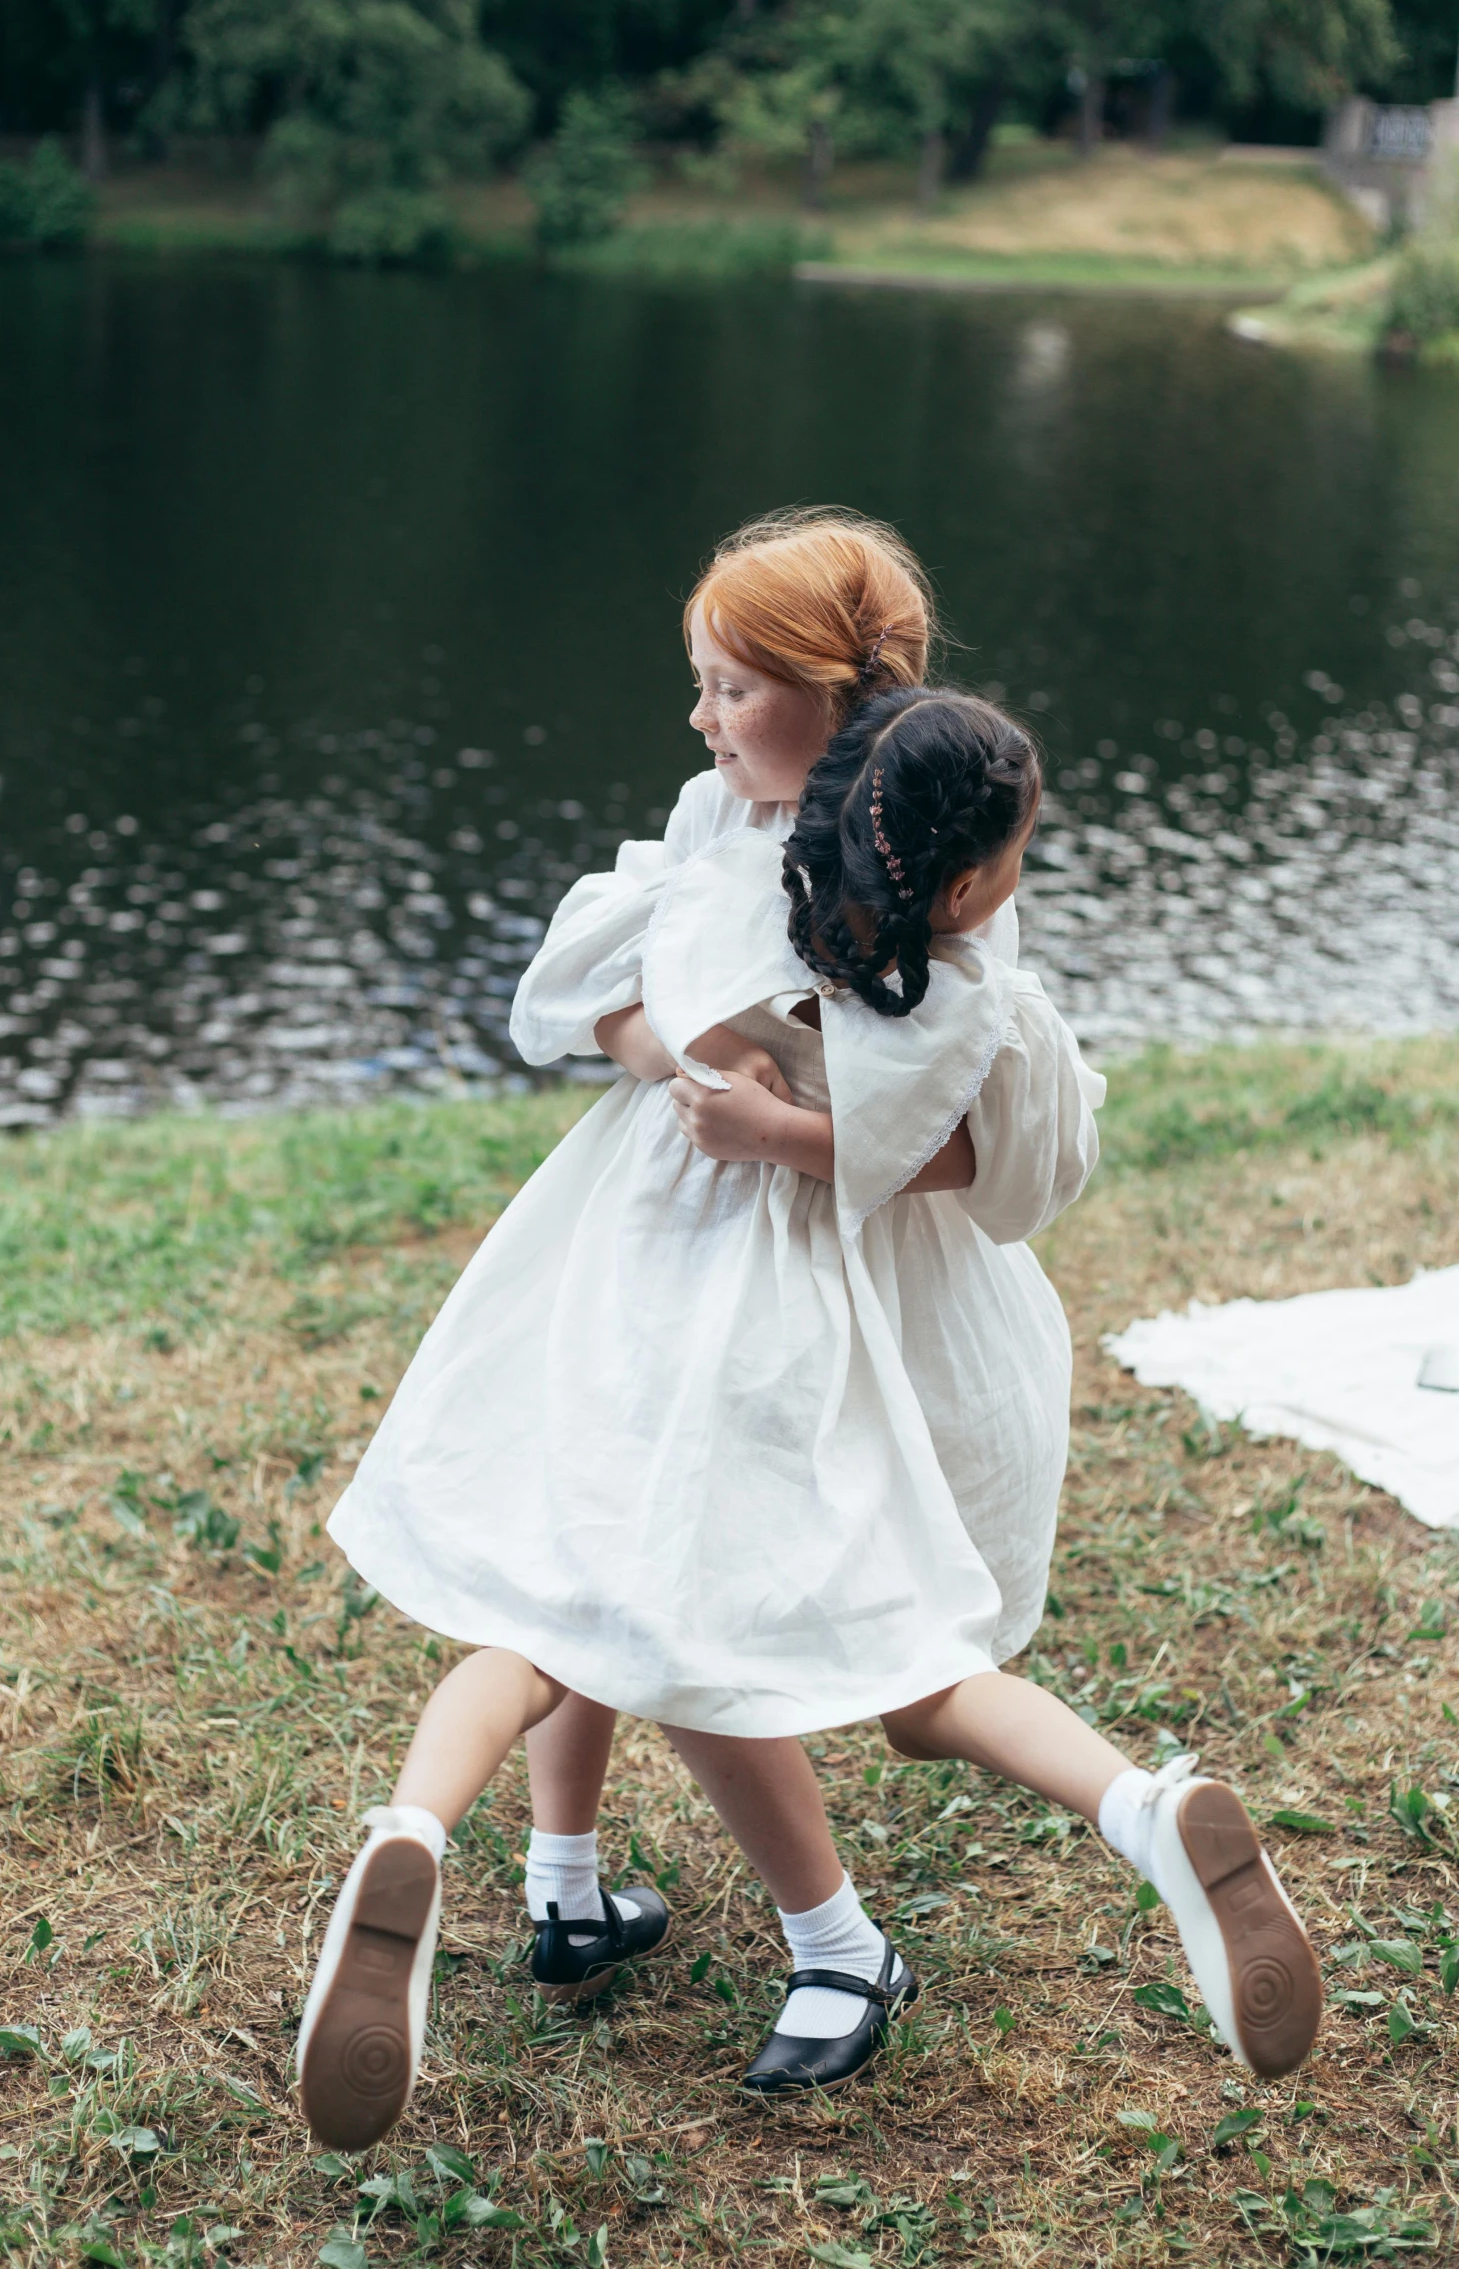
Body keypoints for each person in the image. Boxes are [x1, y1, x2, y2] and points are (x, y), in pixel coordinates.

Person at [296, 515, 1322, 2151]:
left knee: (630, 1577)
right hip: (782, 1275)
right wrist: (715, 1081)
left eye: (727, 688)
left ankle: (740, 1914)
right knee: (659, 1577)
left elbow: (601, 1000)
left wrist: (745, 1113)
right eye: (697, 686)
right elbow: (1010, 1141)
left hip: (727, 1282)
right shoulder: (935, 875)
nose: (700, 720)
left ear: (836, 701)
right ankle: (605, 1879)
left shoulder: (825, 870)